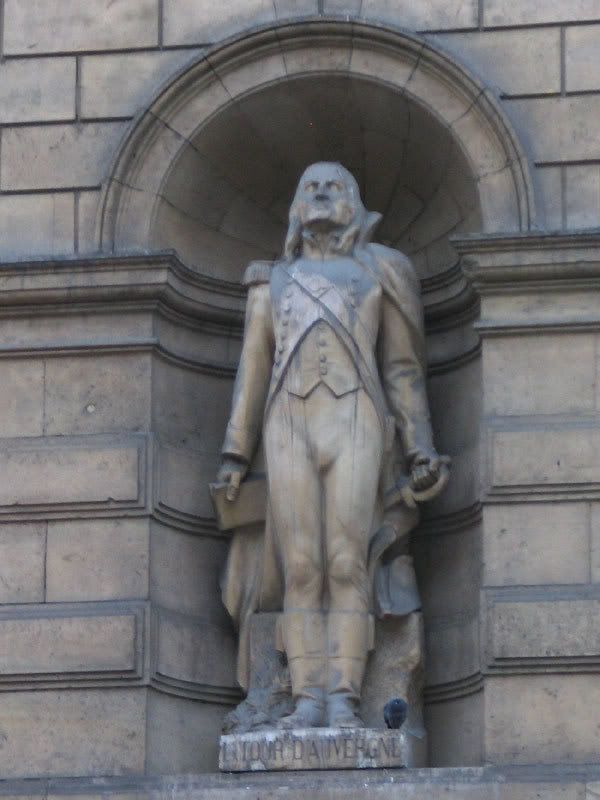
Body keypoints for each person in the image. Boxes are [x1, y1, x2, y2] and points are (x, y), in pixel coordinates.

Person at [217, 162, 447, 729]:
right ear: (297, 207)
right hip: (288, 423)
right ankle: (306, 699)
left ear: (353, 205)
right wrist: (235, 454)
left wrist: (419, 447)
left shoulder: (379, 273)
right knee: (300, 566)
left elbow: (402, 370)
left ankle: (344, 696)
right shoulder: (269, 282)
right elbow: (252, 370)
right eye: (310, 186)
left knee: (347, 561)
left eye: (334, 186)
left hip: (356, 419)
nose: (321, 193)